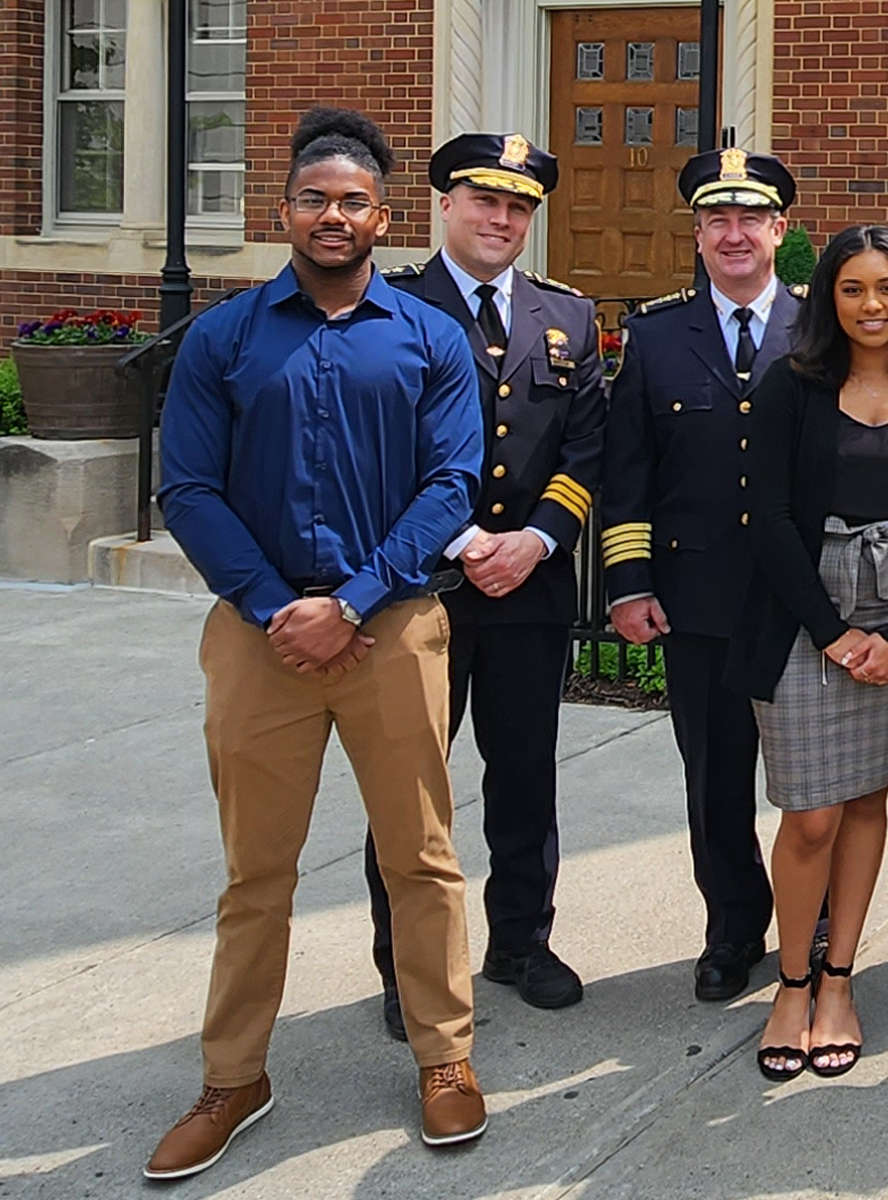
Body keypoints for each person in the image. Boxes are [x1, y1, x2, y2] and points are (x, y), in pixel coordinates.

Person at [148, 108, 488, 1178]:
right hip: (260, 640)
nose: (332, 215)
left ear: (384, 215)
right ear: (284, 210)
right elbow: (187, 489)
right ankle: (234, 1075)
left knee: (422, 861)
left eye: (352, 200)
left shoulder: (429, 337)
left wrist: (351, 600)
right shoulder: (224, 337)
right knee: (258, 875)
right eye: (313, 198)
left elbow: (452, 486)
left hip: (391, 631)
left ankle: (445, 1058)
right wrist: (271, 606)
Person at [362, 132, 605, 1035]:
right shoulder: (388, 306)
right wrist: (467, 541)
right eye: (485, 202)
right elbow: (380, 453)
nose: (502, 219)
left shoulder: (567, 317)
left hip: (530, 592)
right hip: (421, 589)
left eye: (519, 207)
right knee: (411, 788)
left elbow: (585, 447)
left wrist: (538, 540)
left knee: (525, 776)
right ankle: (408, 967)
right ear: (446, 206)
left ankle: (520, 942)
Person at [725, 225, 888, 1080]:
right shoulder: (792, 384)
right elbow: (770, 517)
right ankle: (790, 980)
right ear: (828, 296)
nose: (872, 305)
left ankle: (838, 981)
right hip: (802, 614)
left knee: (864, 803)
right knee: (810, 812)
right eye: (853, 288)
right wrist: (831, 631)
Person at [599, 147, 805, 1003]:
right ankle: (733, 927)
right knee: (715, 779)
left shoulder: (825, 324)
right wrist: (629, 581)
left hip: (806, 604)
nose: (734, 235)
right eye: (717, 220)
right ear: (698, 233)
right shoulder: (653, 335)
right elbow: (627, 470)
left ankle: (817, 918)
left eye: (750, 219)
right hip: (699, 598)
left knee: (817, 780)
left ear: (780, 230)